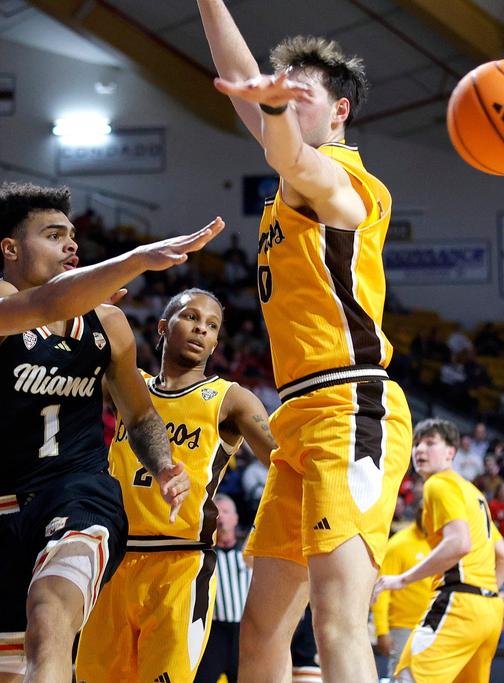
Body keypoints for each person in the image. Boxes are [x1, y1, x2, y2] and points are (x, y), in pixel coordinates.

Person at [196, 6, 413, 680]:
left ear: (339, 110)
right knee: (261, 629)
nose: (283, 100)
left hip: (352, 409)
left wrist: (273, 111)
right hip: (296, 416)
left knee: (336, 619)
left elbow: (285, 149)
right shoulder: (290, 166)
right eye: (279, 92)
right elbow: (242, 81)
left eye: (301, 94)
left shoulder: (344, 183)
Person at [0, 182, 221, 681]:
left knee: (50, 611)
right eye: (54, 235)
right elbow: (45, 306)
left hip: (80, 496)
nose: (72, 245)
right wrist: (137, 258)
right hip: (3, 515)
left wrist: (162, 464)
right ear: (10, 249)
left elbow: (138, 416)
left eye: (73, 236)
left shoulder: (108, 323)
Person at [76, 289, 277, 683]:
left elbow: (280, 463)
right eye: (191, 317)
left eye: (212, 325)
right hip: (113, 560)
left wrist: (265, 528)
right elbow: (69, 371)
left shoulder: (231, 399)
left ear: (217, 342)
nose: (201, 327)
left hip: (181, 562)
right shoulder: (127, 386)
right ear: (164, 326)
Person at [372, 419, 504, 683]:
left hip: (458, 602)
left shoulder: (438, 484)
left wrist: (402, 579)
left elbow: (459, 544)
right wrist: (483, 593)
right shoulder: (474, 493)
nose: (420, 450)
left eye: (430, 443)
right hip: (489, 610)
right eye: (416, 444)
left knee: (407, 678)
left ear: (451, 452)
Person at [371, 506, 434, 678]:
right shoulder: (398, 545)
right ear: (417, 514)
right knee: (403, 677)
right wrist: (382, 631)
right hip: (404, 627)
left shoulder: (443, 543)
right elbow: (382, 590)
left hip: (436, 626)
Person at [195, 495, 251, 683]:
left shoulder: (249, 555)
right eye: (216, 513)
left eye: (225, 512)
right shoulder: (202, 557)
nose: (220, 517)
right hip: (213, 633)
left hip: (245, 633)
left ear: (236, 518)